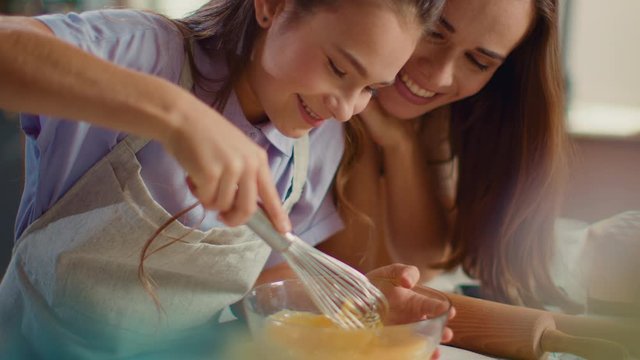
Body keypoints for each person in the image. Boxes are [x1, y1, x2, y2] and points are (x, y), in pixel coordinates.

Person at [0, 0, 446, 358]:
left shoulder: (317, 140)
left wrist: (349, 313)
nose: (346, 109)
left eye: (370, 88)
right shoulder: (149, 54)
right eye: (339, 68)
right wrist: (175, 115)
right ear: (271, 6)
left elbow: (254, 283)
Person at [319, 0, 583, 312]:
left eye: (478, 61)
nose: (439, 76)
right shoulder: (312, 88)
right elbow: (346, 273)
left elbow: (423, 263)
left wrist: (400, 144)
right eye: (433, 32)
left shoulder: (439, 118)